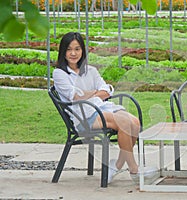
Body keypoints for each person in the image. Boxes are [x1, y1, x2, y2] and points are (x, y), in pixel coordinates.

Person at [53, 32, 157, 184]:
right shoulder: (60, 74)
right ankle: (134, 170)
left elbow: (107, 90)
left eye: (77, 49)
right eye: (69, 49)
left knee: (134, 123)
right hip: (83, 116)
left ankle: (116, 165)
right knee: (123, 123)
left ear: (83, 50)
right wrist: (96, 94)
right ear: (63, 51)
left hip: (102, 109)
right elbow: (75, 96)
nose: (73, 53)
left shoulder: (91, 71)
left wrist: (91, 94)